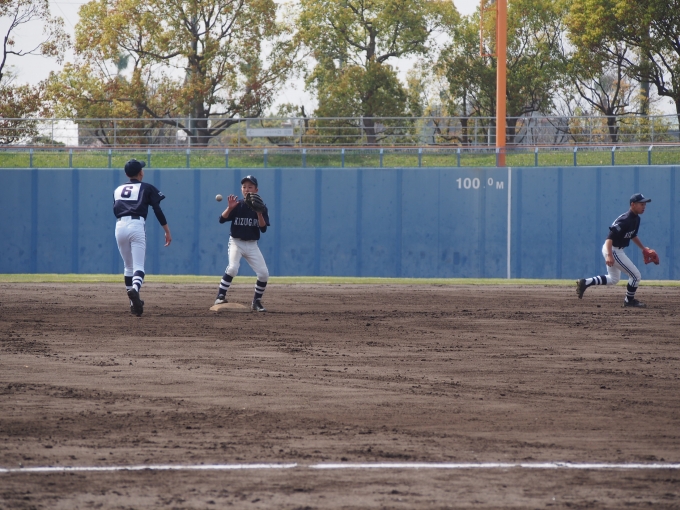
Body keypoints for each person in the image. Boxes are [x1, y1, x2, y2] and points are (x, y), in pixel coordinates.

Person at [113, 159, 172, 316]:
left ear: (126, 174)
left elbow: (115, 209)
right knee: (138, 266)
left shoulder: (118, 189)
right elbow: (157, 210)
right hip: (136, 225)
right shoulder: (146, 187)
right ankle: (135, 290)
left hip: (119, 225)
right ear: (141, 173)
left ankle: (133, 304)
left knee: (128, 266)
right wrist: (167, 231)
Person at [576, 193, 654, 308]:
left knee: (613, 279)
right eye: (641, 204)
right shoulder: (625, 220)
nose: (644, 206)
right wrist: (609, 255)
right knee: (636, 276)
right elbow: (609, 238)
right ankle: (629, 301)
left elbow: (633, 235)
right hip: (613, 250)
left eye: (645, 204)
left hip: (615, 250)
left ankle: (585, 282)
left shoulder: (636, 219)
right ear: (633, 204)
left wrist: (643, 248)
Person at [214, 175, 270, 312]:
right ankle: (220, 296)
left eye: (250, 187)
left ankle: (256, 302)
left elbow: (263, 229)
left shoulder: (261, 208)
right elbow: (221, 220)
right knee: (232, 268)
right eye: (244, 187)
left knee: (264, 274)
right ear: (241, 189)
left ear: (256, 190)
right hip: (236, 243)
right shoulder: (237, 205)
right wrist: (230, 208)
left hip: (252, 245)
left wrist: (259, 213)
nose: (247, 189)